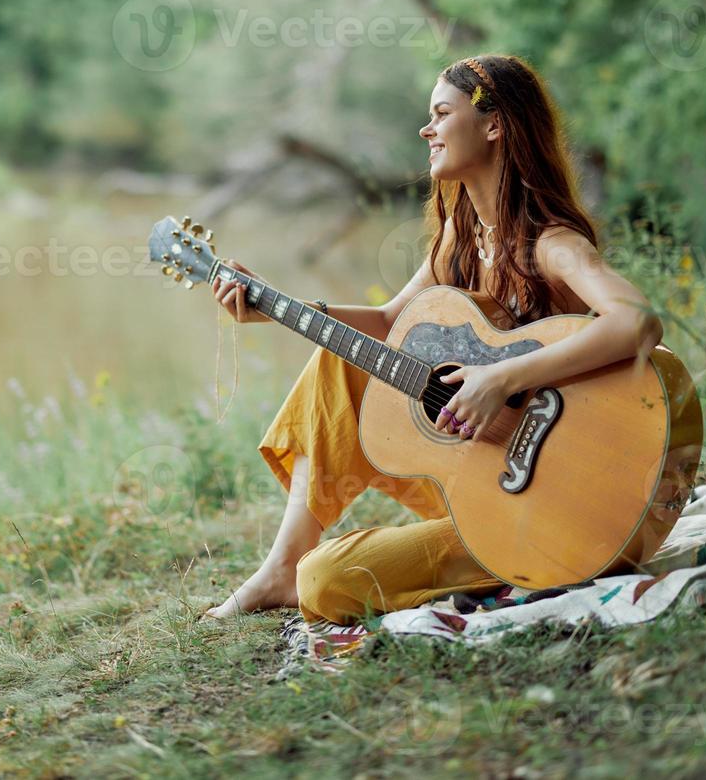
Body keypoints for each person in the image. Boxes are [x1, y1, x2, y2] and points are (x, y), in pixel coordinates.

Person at [202, 54, 666, 624]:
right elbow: (391, 323)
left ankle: (523, 559)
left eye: (441, 114)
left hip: (566, 504)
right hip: (485, 469)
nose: (427, 130)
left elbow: (637, 321)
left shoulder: (549, 243)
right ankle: (280, 568)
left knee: (325, 583)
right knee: (341, 358)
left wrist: (502, 377)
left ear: (493, 125)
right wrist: (276, 308)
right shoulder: (462, 239)